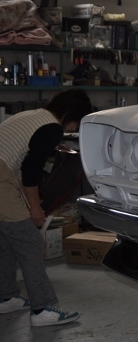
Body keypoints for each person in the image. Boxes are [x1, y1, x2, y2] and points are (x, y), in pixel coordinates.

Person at [0, 88, 92, 326]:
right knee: (31, 243)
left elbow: (22, 156)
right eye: (75, 123)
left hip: (5, 175)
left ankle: (7, 297)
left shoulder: (31, 115)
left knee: (6, 239)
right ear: (69, 115)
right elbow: (30, 171)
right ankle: (42, 310)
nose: (73, 128)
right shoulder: (52, 127)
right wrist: (35, 207)